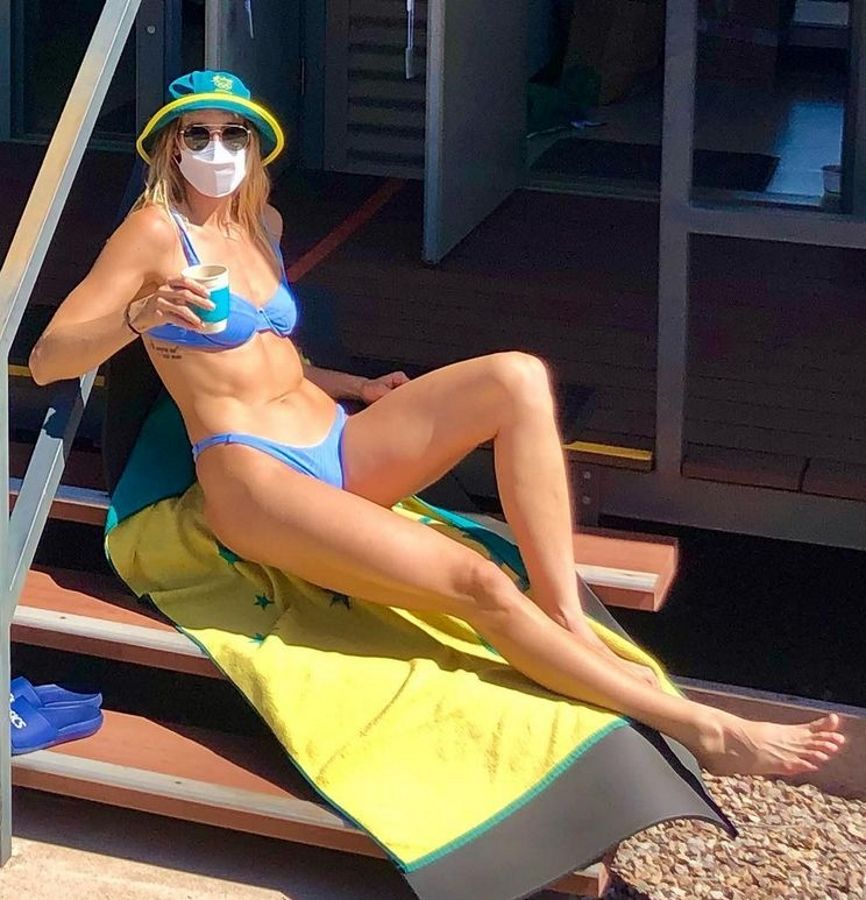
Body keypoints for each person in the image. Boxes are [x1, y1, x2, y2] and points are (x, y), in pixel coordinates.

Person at [29, 70, 845, 777]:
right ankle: (705, 727)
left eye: (232, 132)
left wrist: (358, 384)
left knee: (517, 376)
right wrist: (139, 314)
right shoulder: (152, 232)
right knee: (479, 581)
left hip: (334, 439)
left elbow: (274, 354)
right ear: (170, 148)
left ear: (256, 144)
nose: (216, 147)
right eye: (197, 134)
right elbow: (47, 360)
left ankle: (562, 609)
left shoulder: (260, 226)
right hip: (255, 476)